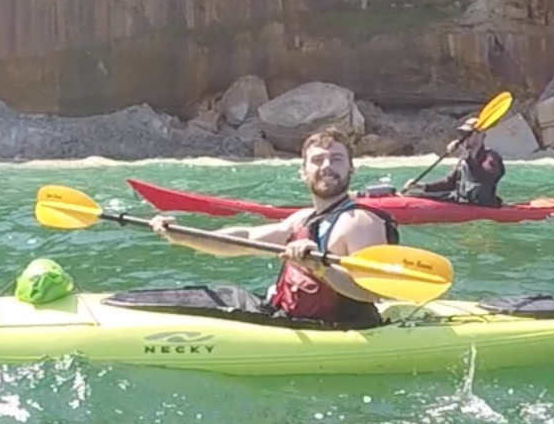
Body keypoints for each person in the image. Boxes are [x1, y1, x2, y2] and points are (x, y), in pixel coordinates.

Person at [149, 128, 399, 328]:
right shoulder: (302, 218)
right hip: (284, 313)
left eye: (336, 159)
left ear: (350, 168)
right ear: (303, 172)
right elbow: (243, 239)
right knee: (208, 296)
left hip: (334, 327)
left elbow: (372, 293)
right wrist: (181, 235)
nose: (326, 166)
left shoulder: (359, 221)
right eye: (318, 160)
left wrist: (320, 269)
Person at [417, 119, 506, 207]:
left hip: (481, 205)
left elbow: (487, 178)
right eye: (462, 133)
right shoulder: (464, 159)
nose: (463, 137)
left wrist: (468, 159)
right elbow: (450, 183)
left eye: (467, 134)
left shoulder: (491, 157)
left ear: (481, 135)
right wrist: (424, 187)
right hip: (461, 200)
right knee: (416, 195)